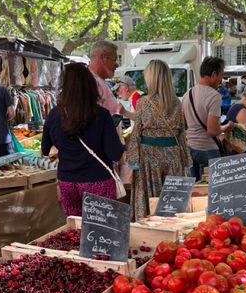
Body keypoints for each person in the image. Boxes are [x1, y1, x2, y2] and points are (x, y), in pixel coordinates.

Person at [41, 63, 125, 216]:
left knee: (74, 229)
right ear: (90, 86)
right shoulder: (101, 115)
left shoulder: (54, 115)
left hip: (67, 181)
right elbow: (115, 153)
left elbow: (45, 149)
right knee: (101, 229)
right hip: (97, 180)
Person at [127, 59, 190, 221]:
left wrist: (132, 161)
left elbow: (136, 134)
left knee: (149, 201)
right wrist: (186, 159)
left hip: (149, 159)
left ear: (150, 78)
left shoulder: (143, 102)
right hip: (173, 157)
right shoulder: (176, 103)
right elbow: (182, 132)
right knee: (172, 203)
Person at [181, 56, 232, 181]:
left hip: (191, 149)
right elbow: (212, 131)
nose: (222, 79)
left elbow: (184, 123)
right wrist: (228, 126)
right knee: (214, 190)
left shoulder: (188, 94)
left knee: (195, 191)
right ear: (214, 75)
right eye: (221, 75)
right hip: (208, 150)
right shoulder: (214, 96)